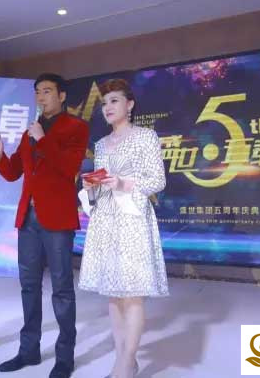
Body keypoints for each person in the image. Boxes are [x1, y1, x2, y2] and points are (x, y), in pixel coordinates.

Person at [0, 73, 89, 378]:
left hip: (57, 219)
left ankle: (65, 357)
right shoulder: (30, 130)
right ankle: (28, 350)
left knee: (62, 288)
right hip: (28, 219)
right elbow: (14, 172)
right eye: (38, 92)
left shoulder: (76, 127)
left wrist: (43, 139)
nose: (41, 97)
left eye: (47, 91)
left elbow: (68, 168)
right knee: (29, 286)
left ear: (62, 95)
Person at [78, 79, 169, 378]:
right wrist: (91, 187)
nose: (108, 107)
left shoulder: (146, 137)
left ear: (130, 105)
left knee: (132, 294)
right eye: (105, 103)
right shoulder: (101, 144)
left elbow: (157, 181)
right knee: (114, 294)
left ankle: (127, 363)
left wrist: (123, 183)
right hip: (106, 220)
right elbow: (102, 185)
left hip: (132, 219)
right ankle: (122, 360)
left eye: (114, 101)